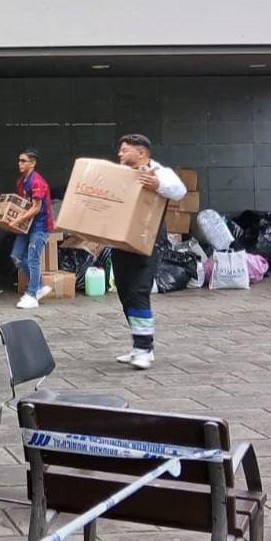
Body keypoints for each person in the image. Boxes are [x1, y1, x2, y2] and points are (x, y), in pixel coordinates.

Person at [110, 134, 187, 370]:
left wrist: (158, 185)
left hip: (148, 243)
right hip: (121, 243)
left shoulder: (159, 173)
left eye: (125, 150)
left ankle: (143, 349)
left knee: (139, 292)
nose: (120, 154)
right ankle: (141, 347)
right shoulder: (121, 175)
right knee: (125, 295)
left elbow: (180, 190)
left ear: (141, 153)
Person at [10, 148, 55, 309]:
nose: (20, 164)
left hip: (40, 226)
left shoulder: (38, 182)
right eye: (19, 161)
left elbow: (36, 208)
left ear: (33, 163)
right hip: (27, 226)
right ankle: (40, 286)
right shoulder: (20, 182)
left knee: (33, 258)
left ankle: (32, 295)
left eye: (23, 161)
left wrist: (17, 221)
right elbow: (23, 204)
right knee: (16, 256)